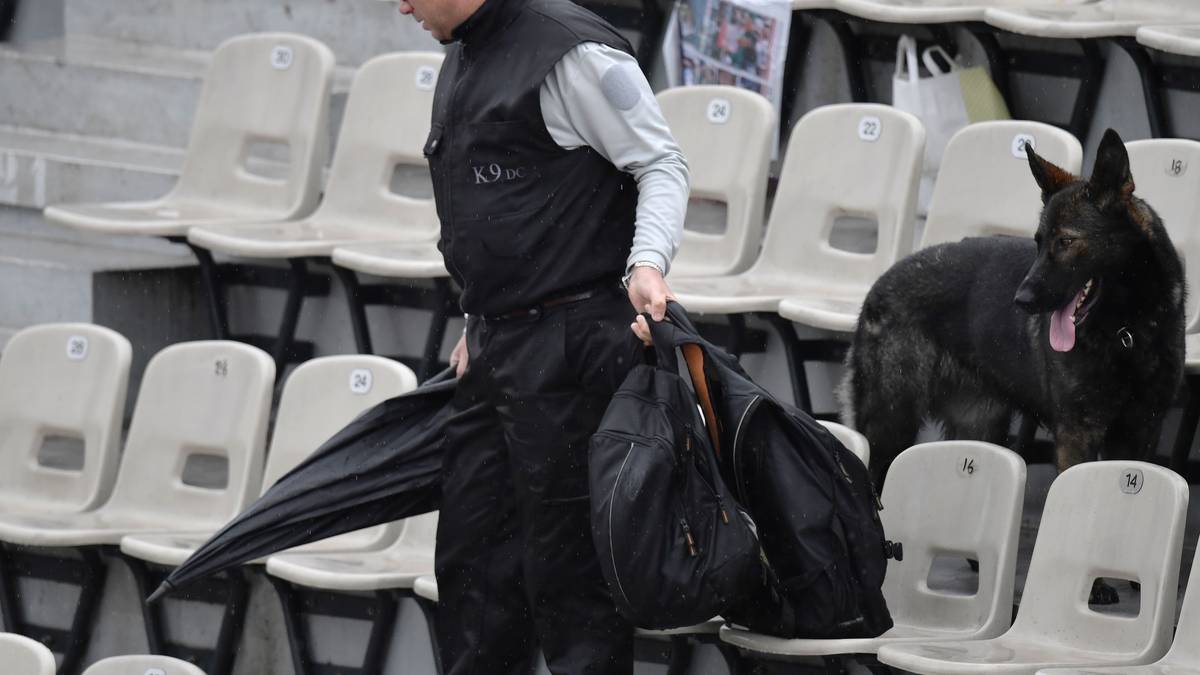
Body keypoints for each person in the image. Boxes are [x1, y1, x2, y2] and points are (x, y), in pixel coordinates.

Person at [395, 0, 689, 672]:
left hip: (574, 347)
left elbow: (661, 163)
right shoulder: (463, 51)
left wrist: (647, 262)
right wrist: (480, 318)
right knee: (473, 575)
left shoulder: (573, 52)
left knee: (571, 586)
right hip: (497, 347)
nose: (401, 4)